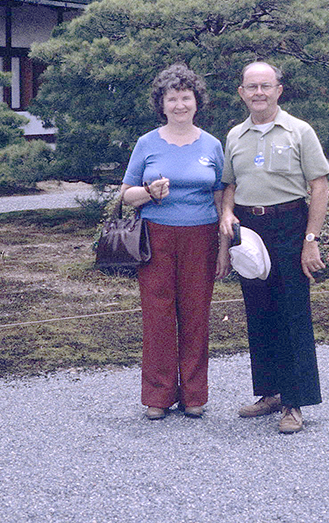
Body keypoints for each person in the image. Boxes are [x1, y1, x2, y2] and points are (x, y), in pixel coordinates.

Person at [217, 61, 329, 434]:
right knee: (259, 312)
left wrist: (310, 240)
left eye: (266, 86)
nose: (259, 93)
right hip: (250, 229)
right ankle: (269, 393)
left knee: (293, 314)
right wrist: (228, 217)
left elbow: (318, 186)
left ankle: (294, 403)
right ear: (242, 92)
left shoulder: (299, 131)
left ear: (279, 90)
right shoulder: (234, 135)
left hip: (289, 226)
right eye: (252, 87)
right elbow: (229, 186)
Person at [121, 63, 225, 420]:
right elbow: (125, 196)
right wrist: (149, 193)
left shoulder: (212, 144)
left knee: (196, 315)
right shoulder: (146, 143)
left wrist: (225, 246)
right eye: (172, 99)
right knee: (158, 315)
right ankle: (159, 395)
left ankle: (194, 394)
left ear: (197, 102)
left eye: (186, 97)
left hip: (202, 236)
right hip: (156, 238)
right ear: (161, 104)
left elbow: (220, 196)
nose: (180, 105)